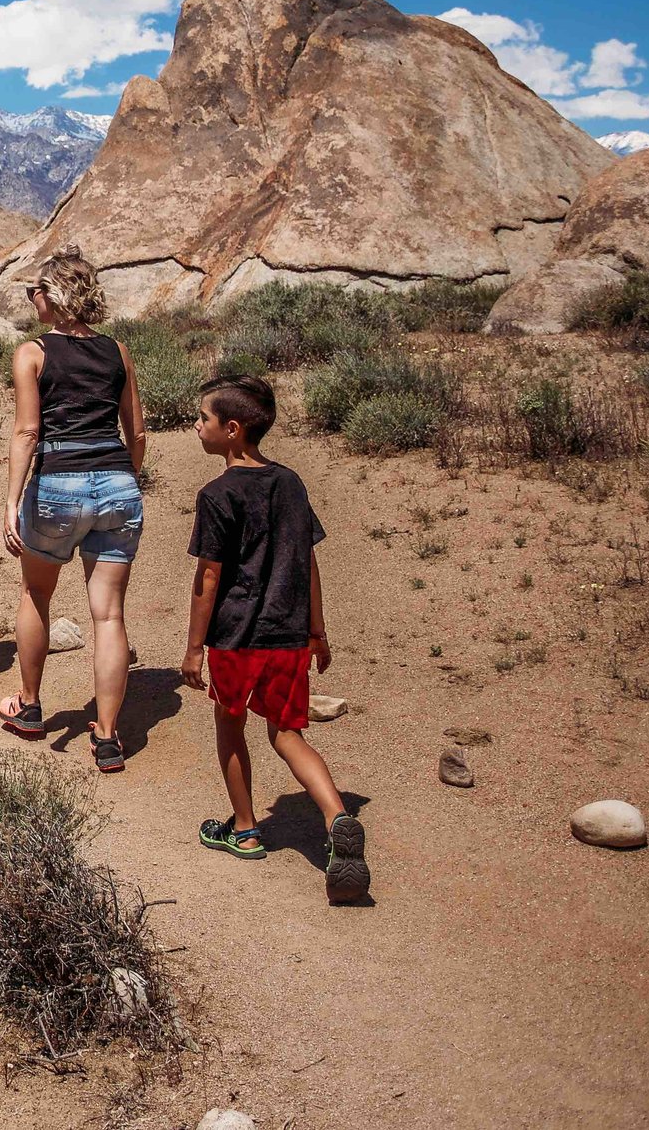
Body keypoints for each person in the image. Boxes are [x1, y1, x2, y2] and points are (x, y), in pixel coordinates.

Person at [180, 373, 371, 904]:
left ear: (232, 430)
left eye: (203, 419)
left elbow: (209, 577)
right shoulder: (290, 483)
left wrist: (195, 647)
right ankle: (336, 818)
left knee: (231, 724)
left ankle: (243, 829)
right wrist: (317, 630)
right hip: (287, 633)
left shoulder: (216, 495)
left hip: (235, 636)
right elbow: (306, 560)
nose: (197, 426)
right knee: (287, 734)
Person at [0, 248, 145, 772]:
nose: (31, 299)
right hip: (117, 487)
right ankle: (107, 736)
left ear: (55, 295)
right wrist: (122, 477)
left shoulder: (32, 354)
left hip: (57, 484)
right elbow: (138, 433)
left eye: (34, 290)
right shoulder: (117, 352)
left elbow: (27, 431)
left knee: (37, 593)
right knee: (108, 614)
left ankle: (32, 707)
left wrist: (12, 501)